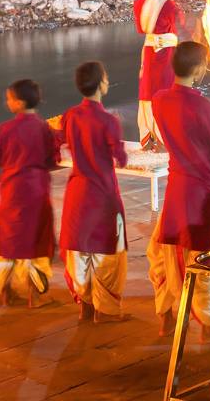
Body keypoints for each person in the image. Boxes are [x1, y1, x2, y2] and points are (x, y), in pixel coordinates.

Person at [147, 42, 210, 340]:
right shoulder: (203, 105)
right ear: (198, 69)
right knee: (204, 257)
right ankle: (209, 326)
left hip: (176, 188)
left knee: (165, 254)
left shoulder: (159, 100)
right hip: (201, 190)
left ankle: (167, 314)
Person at [59, 61, 129, 323]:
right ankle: (106, 310)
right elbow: (120, 158)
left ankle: (85, 304)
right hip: (103, 194)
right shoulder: (108, 120)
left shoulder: (70, 115)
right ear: (101, 84)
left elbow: (60, 139)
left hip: (77, 191)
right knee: (107, 253)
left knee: (81, 250)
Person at [0, 79, 58, 307]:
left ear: (18, 103)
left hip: (11, 190)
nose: (6, 102)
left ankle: (6, 290)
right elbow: (52, 159)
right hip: (37, 189)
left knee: (8, 239)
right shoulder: (44, 128)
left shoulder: (4, 130)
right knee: (37, 239)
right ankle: (34, 295)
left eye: (9, 98)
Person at [134, 0, 185, 148]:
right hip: (163, 53)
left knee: (149, 89)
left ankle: (151, 135)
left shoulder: (140, 1)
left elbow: (143, 29)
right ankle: (166, 137)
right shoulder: (165, 3)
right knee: (163, 90)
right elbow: (179, 22)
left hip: (149, 51)